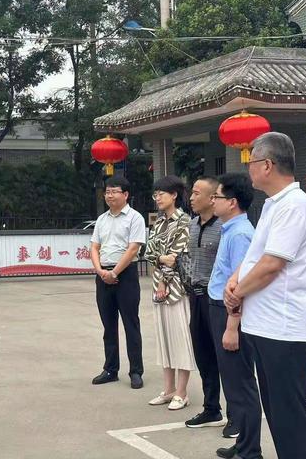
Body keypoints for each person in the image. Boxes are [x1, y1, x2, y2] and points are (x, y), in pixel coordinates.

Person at [225, 132, 306, 459]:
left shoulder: (294, 205)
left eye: (251, 161)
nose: (248, 168)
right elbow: (256, 255)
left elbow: (272, 264)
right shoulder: (273, 205)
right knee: (277, 414)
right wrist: (235, 279)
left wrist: (236, 295)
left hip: (285, 328)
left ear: (268, 165)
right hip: (266, 326)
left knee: (291, 417)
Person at [208, 174, 262, 459]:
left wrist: (231, 326)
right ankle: (244, 443)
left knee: (242, 384)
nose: (212, 201)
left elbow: (239, 286)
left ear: (231, 202)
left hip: (230, 314)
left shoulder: (241, 234)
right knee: (233, 383)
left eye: (216, 196)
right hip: (219, 309)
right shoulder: (231, 229)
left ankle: (251, 449)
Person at [185, 177, 238, 437]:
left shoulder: (226, 227)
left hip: (216, 298)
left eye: (197, 193)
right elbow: (189, 257)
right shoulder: (193, 223)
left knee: (225, 359)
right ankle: (211, 408)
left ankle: (236, 416)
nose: (192, 198)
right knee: (203, 354)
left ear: (212, 198)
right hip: (195, 296)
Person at [90, 176, 146, 389]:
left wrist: (114, 272)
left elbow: (133, 248)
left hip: (126, 275)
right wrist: (100, 271)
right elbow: (94, 246)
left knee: (131, 324)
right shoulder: (102, 219)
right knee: (108, 325)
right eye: (107, 192)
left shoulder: (135, 218)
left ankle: (136, 371)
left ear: (126, 195)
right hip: (103, 275)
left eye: (114, 191)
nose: (109, 195)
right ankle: (110, 369)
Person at [145, 175, 195, 410]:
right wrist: (162, 262)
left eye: (161, 194)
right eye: (155, 195)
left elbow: (177, 257)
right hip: (158, 286)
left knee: (180, 338)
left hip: (176, 289)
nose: (157, 198)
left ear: (174, 195)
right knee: (164, 338)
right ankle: (168, 389)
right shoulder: (158, 222)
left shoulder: (184, 221)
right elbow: (150, 254)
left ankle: (182, 392)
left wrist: (165, 278)